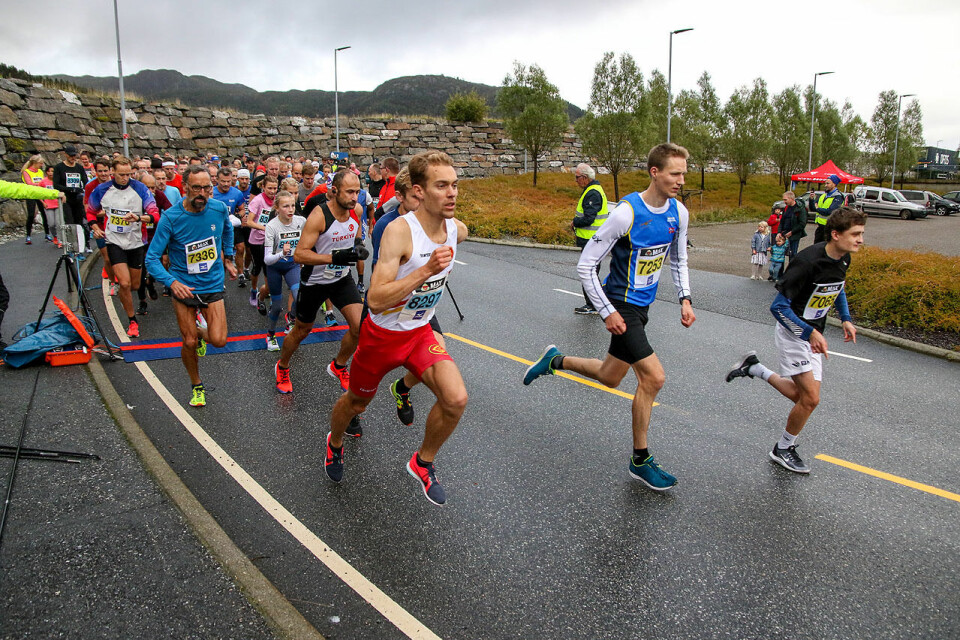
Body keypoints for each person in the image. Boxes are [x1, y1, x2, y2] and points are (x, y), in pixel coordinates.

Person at [523, 142, 695, 491]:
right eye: (675, 173)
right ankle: (640, 460)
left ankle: (555, 360)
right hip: (621, 304)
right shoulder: (626, 213)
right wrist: (607, 311)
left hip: (642, 307)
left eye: (683, 173)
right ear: (655, 172)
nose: (681, 180)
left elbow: (679, 259)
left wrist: (685, 298)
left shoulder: (679, 212)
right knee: (654, 378)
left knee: (610, 376)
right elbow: (586, 265)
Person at [324, 152, 469, 506]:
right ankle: (334, 442)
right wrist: (424, 271)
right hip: (382, 336)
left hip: (418, 331)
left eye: (454, 185)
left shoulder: (457, 228)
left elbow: (456, 236)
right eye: (441, 186)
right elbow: (374, 299)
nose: (451, 193)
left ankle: (422, 462)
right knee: (357, 402)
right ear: (419, 191)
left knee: (455, 399)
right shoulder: (399, 232)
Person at [725, 206, 866, 473]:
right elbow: (778, 307)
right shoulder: (807, 261)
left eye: (862, 234)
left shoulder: (844, 257)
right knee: (811, 399)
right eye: (856, 234)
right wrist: (808, 332)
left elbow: (838, 287)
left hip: (814, 334)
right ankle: (783, 448)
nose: (860, 239)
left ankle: (754, 367)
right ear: (835, 234)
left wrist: (846, 318)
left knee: (804, 397)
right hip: (794, 332)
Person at [144, 165, 237, 407]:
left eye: (207, 187)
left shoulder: (217, 209)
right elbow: (151, 258)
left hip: (212, 282)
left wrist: (228, 256)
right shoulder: (171, 218)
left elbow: (228, 231)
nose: (202, 193)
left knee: (219, 340)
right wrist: (171, 282)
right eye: (197, 188)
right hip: (184, 286)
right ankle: (197, 385)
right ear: (185, 187)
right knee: (188, 342)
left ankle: (199, 330)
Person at [274, 170, 368, 396]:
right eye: (349, 192)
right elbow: (299, 255)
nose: (354, 197)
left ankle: (338, 366)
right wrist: (333, 257)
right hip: (315, 281)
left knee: (360, 328)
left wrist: (358, 247)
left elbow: (355, 237)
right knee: (301, 331)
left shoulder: (356, 210)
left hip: (341, 278)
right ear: (334, 191)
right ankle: (283, 366)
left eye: (357, 192)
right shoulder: (319, 215)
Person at [369, 166, 434, 427]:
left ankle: (402, 388)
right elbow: (380, 279)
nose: (421, 203)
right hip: (388, 305)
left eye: (423, 196)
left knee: (435, 358)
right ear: (401, 197)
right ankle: (354, 409)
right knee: (368, 374)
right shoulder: (387, 226)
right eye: (415, 198)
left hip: (419, 303)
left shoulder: (430, 220)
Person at [86, 157, 160, 338]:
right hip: (114, 241)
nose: (125, 178)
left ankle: (138, 289)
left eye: (129, 174)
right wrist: (95, 227)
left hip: (135, 242)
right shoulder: (102, 190)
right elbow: (90, 211)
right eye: (121, 175)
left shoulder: (140, 188)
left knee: (135, 284)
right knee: (124, 283)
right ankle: (132, 320)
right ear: (113, 173)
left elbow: (155, 214)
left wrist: (138, 218)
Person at [262, 190, 305, 351]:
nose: (290, 210)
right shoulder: (272, 226)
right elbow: (267, 259)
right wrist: (282, 253)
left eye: (293, 205)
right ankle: (271, 334)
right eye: (285, 206)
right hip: (274, 266)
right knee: (277, 306)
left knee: (299, 297)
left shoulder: (301, 221)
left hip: (292, 265)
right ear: (277, 208)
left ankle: (291, 318)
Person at [571, 162, 609, 314]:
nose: (576, 180)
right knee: (590, 272)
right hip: (593, 239)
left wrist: (575, 222)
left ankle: (594, 305)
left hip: (592, 240)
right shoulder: (592, 190)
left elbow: (588, 218)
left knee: (589, 272)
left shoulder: (593, 193)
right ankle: (594, 304)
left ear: (585, 178)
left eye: (577, 177)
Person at [245, 175, 278, 312]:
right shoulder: (258, 201)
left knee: (268, 267)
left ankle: (267, 291)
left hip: (271, 240)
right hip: (256, 240)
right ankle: (253, 290)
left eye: (275, 188)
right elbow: (249, 222)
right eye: (269, 188)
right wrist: (265, 228)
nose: (272, 191)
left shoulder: (278, 200)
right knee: (257, 267)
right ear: (263, 187)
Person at [52, 145, 90, 241]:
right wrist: (70, 189)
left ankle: (81, 244)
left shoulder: (79, 168)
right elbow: (56, 185)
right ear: (65, 155)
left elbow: (86, 182)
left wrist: (86, 192)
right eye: (70, 156)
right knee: (70, 221)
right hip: (66, 198)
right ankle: (71, 244)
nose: (73, 158)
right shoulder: (59, 168)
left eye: (74, 156)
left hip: (78, 197)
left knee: (79, 222)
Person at [20, 155, 47, 244]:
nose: (42, 165)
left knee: (44, 213)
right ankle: (28, 235)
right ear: (35, 163)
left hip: (40, 193)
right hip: (31, 194)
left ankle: (47, 234)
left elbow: (43, 181)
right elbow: (29, 183)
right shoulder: (26, 172)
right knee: (31, 215)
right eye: (40, 163)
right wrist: (40, 184)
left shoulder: (40, 171)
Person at [813, 175, 843, 243]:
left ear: (834, 184)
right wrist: (811, 199)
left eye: (828, 183)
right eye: (825, 183)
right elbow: (813, 207)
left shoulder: (838, 197)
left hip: (830, 228)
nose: (825, 185)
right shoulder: (823, 195)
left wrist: (818, 208)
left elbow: (830, 211)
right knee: (816, 249)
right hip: (820, 227)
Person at [781, 190, 807, 259]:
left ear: (791, 199)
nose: (784, 201)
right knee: (780, 253)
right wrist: (779, 232)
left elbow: (802, 224)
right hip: (784, 233)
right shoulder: (786, 208)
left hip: (794, 235)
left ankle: (792, 268)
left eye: (785, 200)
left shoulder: (800, 209)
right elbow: (782, 221)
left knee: (792, 254)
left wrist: (792, 232)